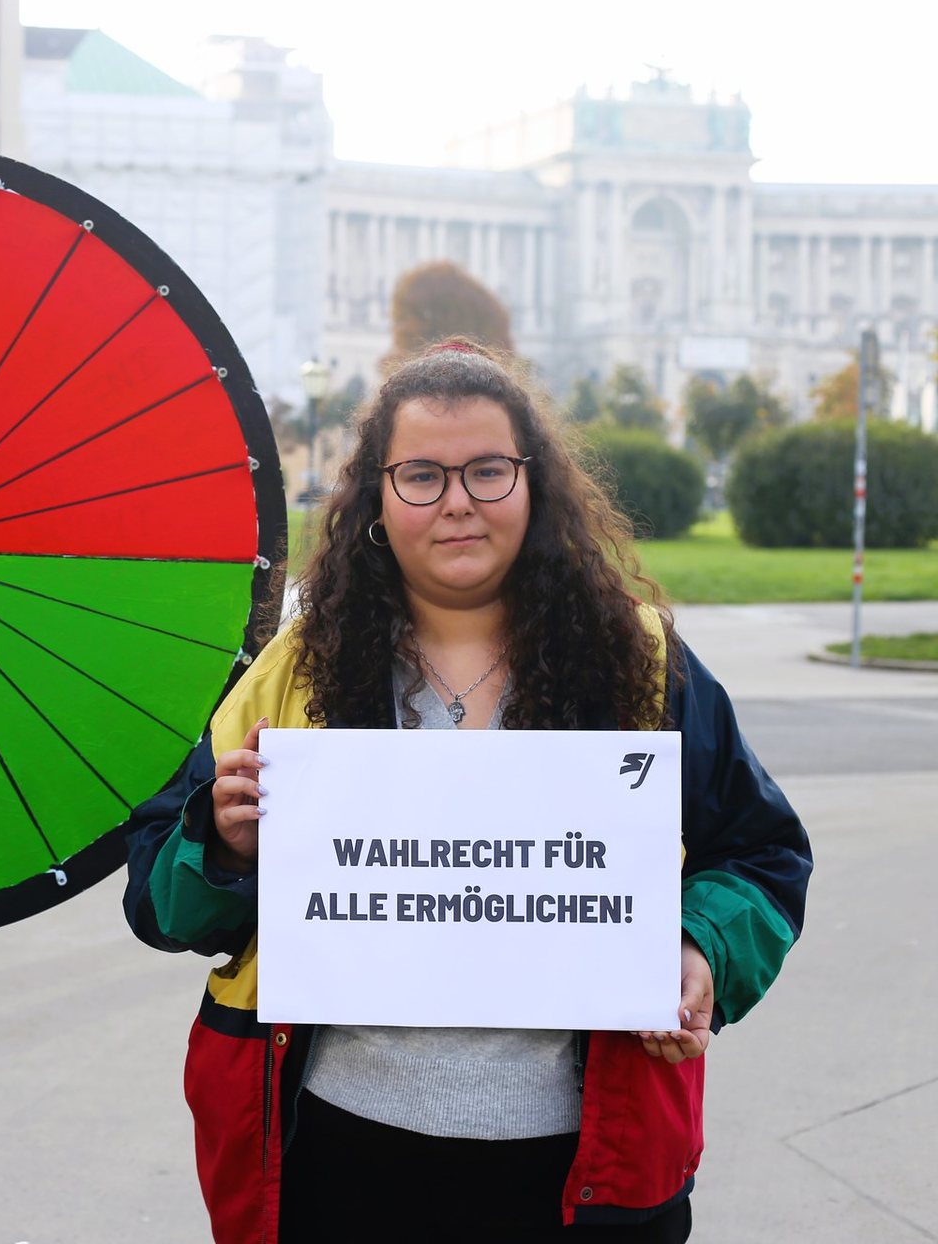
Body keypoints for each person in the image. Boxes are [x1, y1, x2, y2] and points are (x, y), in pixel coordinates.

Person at [124, 340, 811, 1242]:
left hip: (579, 1164)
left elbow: (762, 857)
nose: (457, 503)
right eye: (421, 475)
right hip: (333, 1147)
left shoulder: (644, 662)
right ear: (377, 495)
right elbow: (162, 904)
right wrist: (219, 844)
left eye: (488, 471)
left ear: (535, 486)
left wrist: (700, 952)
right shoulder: (292, 668)